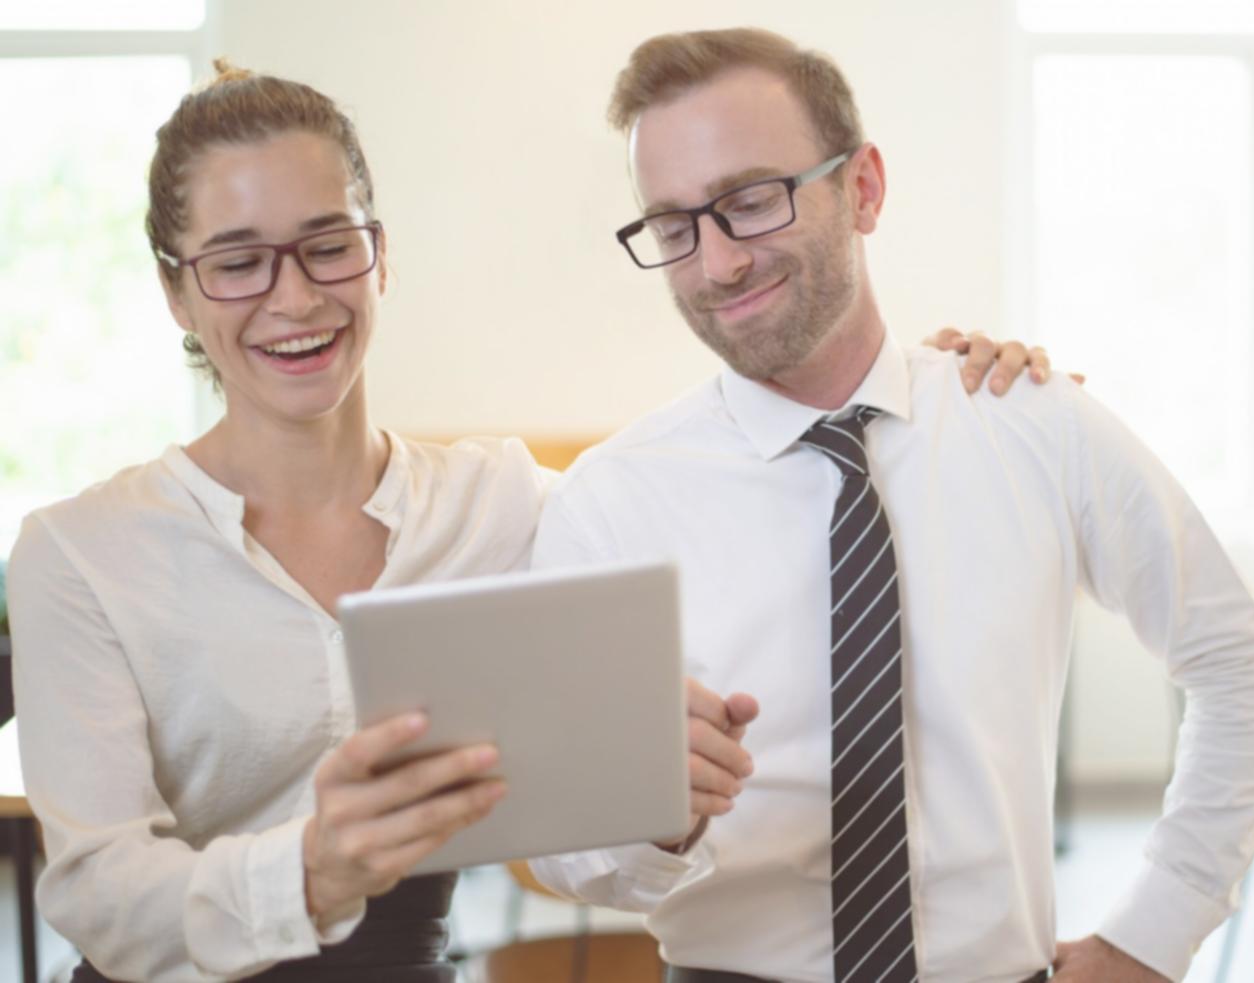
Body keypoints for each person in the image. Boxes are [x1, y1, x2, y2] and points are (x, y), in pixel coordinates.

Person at [6, 60, 1044, 982]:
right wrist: (313, 867)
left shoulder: (504, 504)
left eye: (328, 244)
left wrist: (923, 394)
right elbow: (100, 893)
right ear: (177, 294)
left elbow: (739, 491)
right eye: (236, 262)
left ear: (379, 255)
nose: (293, 296)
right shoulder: (80, 553)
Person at [528, 28, 1254, 983]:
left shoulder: (1031, 425)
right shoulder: (613, 499)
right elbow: (566, 856)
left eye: (751, 201)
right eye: (675, 225)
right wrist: (655, 816)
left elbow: (1241, 664)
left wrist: (1153, 931)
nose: (716, 263)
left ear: (862, 188)